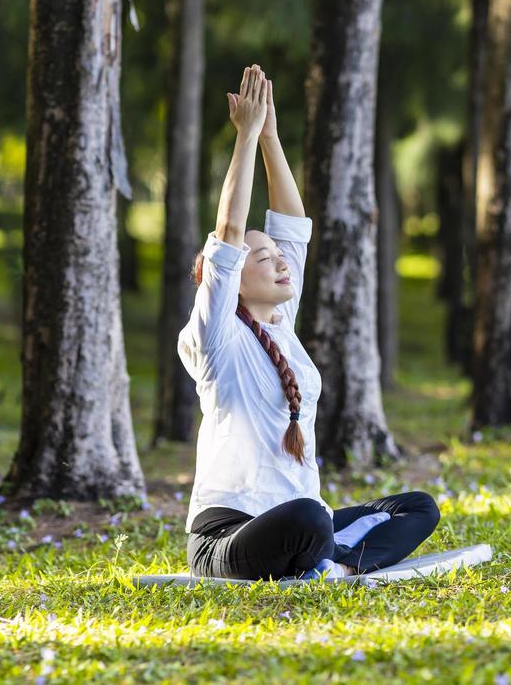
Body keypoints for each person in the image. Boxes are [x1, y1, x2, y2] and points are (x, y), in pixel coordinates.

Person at [180, 64, 438, 581]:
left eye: (277, 256)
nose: (279, 262)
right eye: (262, 259)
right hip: (226, 538)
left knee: (417, 507)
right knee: (309, 517)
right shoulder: (213, 337)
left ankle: (329, 564)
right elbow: (230, 230)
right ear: (228, 278)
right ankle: (329, 556)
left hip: (302, 520)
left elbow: (293, 226)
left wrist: (272, 136)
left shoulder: (279, 324)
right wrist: (246, 136)